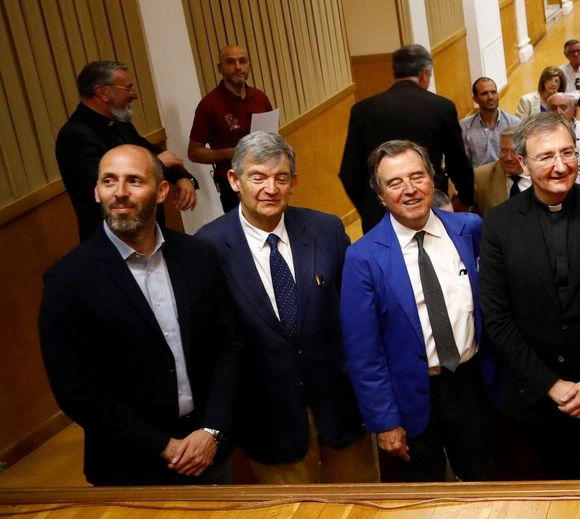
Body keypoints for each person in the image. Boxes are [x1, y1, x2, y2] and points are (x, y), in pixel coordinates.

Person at [39, 145, 240, 485]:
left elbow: (229, 347)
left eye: (134, 181)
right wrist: (163, 446)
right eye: (108, 181)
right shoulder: (67, 280)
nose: (120, 193)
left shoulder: (198, 256)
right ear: (96, 191)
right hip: (128, 465)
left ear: (162, 191)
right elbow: (75, 389)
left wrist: (210, 430)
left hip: (208, 452)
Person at [195, 133, 377, 483]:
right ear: (234, 180)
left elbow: (356, 318)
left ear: (293, 182)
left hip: (340, 408)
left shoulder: (326, 229)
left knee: (363, 514)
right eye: (257, 177)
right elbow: (212, 344)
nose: (270, 188)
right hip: (268, 418)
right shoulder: (208, 247)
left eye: (280, 178)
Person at [478, 114, 580, 478]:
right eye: (546, 157)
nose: (560, 166)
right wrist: (550, 385)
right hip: (536, 400)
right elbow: (497, 317)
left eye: (567, 153)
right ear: (523, 163)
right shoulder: (498, 224)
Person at [341, 140, 498, 482]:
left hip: (472, 386)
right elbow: (363, 351)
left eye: (417, 177)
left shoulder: (469, 229)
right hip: (411, 398)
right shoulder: (364, 257)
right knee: (425, 506)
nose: (409, 190)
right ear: (380, 195)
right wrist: (384, 421)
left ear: (433, 180)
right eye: (394, 183)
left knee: (486, 486)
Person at [337, 44, 476, 232]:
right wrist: (467, 199)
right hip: (430, 207)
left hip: (380, 217)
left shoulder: (363, 110)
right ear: (425, 74)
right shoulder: (441, 107)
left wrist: (371, 207)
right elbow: (457, 161)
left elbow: (349, 172)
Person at [56, 60, 199, 241]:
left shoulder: (119, 121)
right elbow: (105, 188)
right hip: (114, 240)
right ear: (103, 92)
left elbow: (150, 150)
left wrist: (182, 177)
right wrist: (159, 164)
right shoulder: (75, 136)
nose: (135, 95)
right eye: (128, 89)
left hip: (146, 231)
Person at [187, 44, 275, 211]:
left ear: (249, 65)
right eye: (230, 62)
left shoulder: (259, 97)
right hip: (233, 184)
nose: (237, 67)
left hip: (266, 177)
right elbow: (194, 152)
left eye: (242, 61)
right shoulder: (209, 105)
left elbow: (272, 137)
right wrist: (227, 154)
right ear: (220, 68)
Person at [459, 76, 519, 168]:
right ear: (475, 99)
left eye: (493, 92)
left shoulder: (515, 123)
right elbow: (464, 163)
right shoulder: (464, 127)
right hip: (479, 179)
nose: (490, 97)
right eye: (484, 94)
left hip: (507, 177)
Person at [474, 130, 527, 213]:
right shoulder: (481, 176)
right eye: (504, 150)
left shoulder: (540, 175)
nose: (508, 158)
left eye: (514, 151)